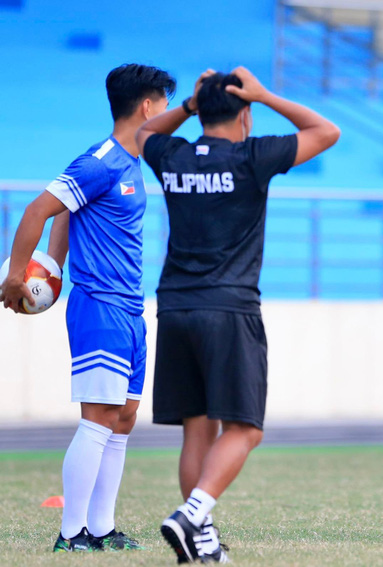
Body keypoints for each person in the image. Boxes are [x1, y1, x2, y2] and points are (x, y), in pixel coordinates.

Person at [136, 66, 340, 563]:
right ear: (244, 113)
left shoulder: (173, 153)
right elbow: (326, 131)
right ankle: (191, 515)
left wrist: (189, 105)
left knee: (197, 428)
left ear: (201, 112)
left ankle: (199, 545)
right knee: (246, 428)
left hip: (177, 306)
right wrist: (266, 93)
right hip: (229, 308)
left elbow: (143, 133)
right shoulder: (253, 156)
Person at [0, 64, 176, 551]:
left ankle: (101, 528)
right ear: (147, 107)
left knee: (123, 419)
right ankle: (70, 532)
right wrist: (20, 274)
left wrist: (52, 266)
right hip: (99, 306)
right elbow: (40, 209)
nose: (165, 114)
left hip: (131, 310)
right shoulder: (99, 160)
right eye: (164, 105)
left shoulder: (131, 163)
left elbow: (70, 214)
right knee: (98, 417)